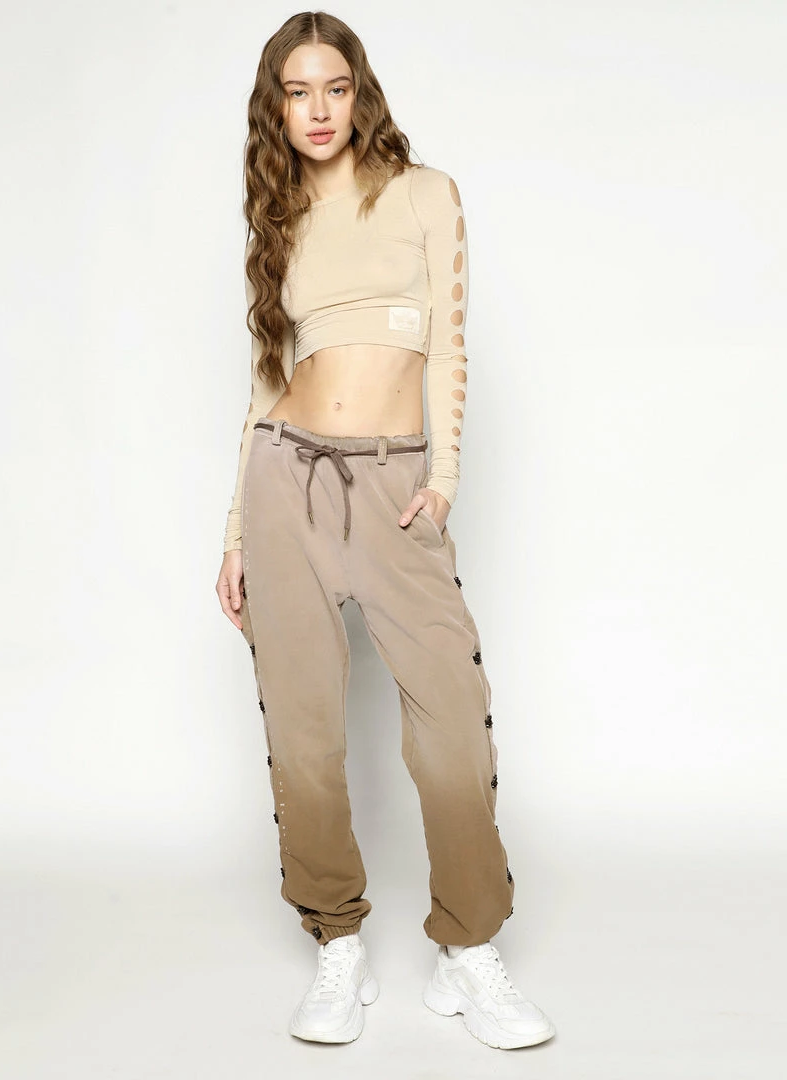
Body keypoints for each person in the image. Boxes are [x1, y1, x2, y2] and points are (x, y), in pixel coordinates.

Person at [216, 10, 555, 1052]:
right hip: (285, 482)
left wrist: (442, 482)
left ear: (361, 94)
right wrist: (235, 532)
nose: (318, 110)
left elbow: (449, 346)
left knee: (451, 713)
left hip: (396, 485)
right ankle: (337, 941)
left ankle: (469, 945)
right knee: (303, 730)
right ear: (277, 108)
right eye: (297, 92)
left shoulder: (425, 194)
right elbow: (266, 385)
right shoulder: (277, 219)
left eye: (335, 88)